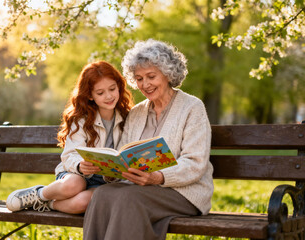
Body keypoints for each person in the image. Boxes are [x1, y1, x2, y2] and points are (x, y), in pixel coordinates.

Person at [83, 39, 214, 240]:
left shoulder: (192, 107)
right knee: (102, 194)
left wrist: (158, 177)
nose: (145, 84)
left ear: (168, 73)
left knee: (129, 198)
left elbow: (195, 164)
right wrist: (110, 169)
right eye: (139, 78)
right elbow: (123, 153)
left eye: (151, 76)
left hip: (184, 193)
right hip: (140, 189)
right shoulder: (136, 112)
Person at [6, 61, 133, 213]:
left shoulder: (128, 117)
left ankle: (47, 204)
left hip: (106, 182)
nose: (109, 96)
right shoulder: (81, 119)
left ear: (119, 86)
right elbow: (69, 155)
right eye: (100, 93)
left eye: (112, 89)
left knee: (84, 203)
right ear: (90, 95)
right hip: (74, 173)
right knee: (74, 185)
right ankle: (39, 194)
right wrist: (80, 165)